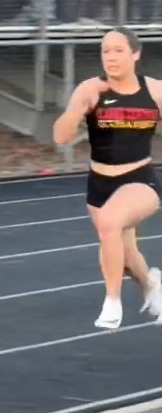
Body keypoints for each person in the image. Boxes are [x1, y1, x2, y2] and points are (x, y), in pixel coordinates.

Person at [53, 28, 162, 330]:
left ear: (135, 54)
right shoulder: (91, 88)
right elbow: (61, 137)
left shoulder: (154, 91)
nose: (111, 57)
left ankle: (111, 303)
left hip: (140, 179)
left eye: (118, 50)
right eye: (105, 51)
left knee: (110, 224)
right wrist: (76, 111)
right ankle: (152, 282)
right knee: (125, 253)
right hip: (99, 182)